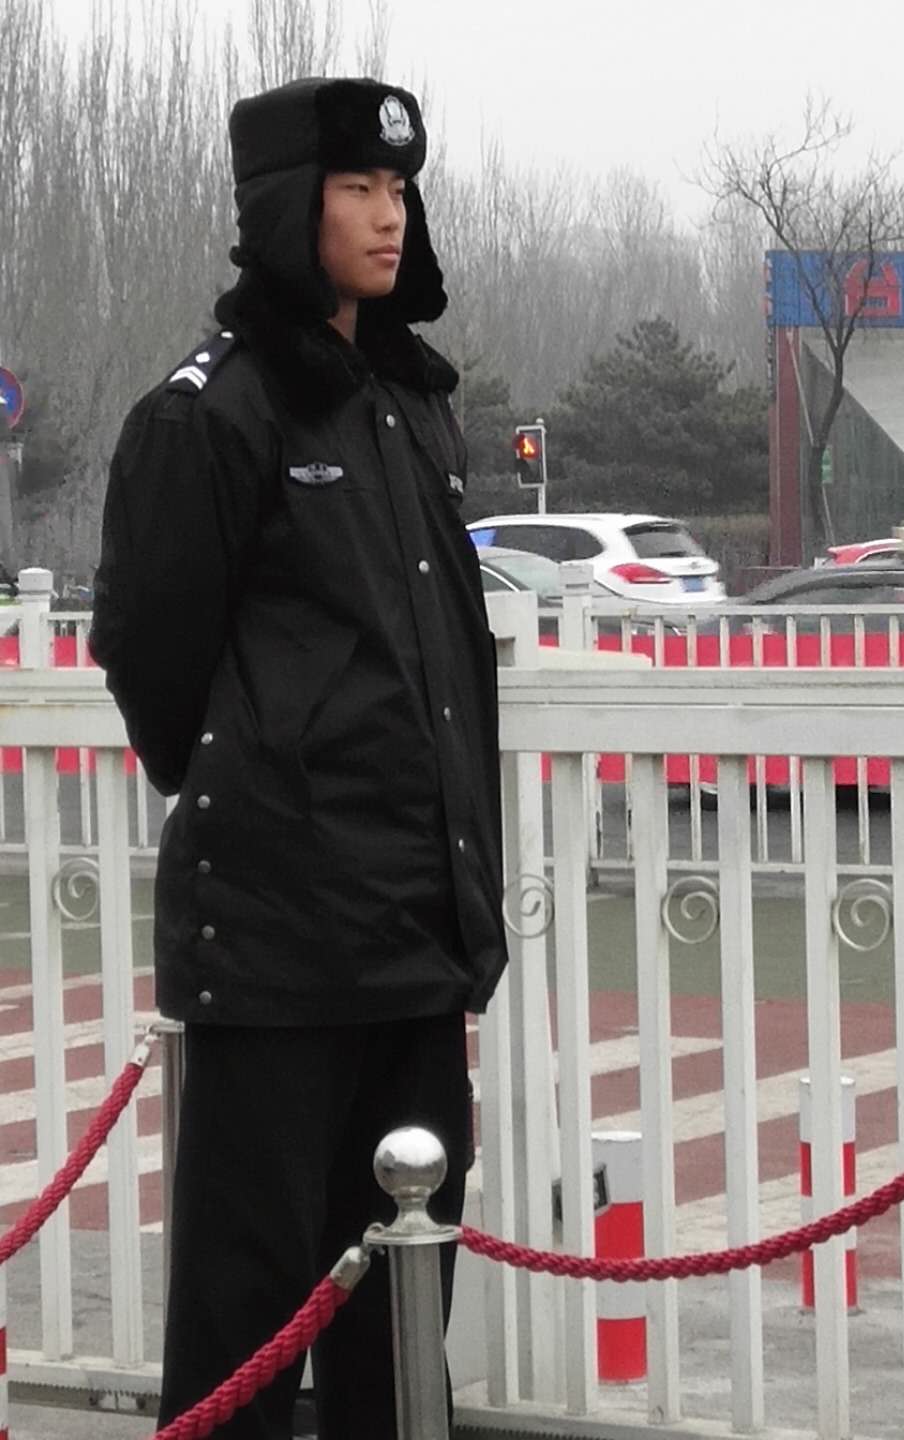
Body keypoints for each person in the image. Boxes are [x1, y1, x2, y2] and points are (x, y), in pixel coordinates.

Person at [89, 77, 508, 1439]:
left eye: (400, 190)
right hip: (273, 950)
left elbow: (437, 669)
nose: (390, 217)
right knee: (250, 1324)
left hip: (413, 937)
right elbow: (151, 654)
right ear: (288, 207)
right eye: (356, 190)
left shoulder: (410, 405)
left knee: (399, 1314)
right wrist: (263, 784)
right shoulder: (210, 413)